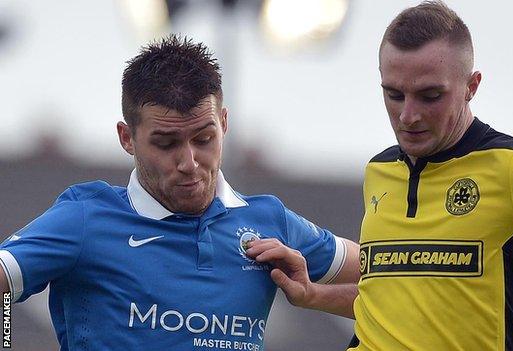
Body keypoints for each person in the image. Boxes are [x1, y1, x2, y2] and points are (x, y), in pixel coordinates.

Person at [247, 1, 513, 350]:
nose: (408, 115)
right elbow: (394, 299)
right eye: (394, 94)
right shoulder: (380, 172)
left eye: (430, 96)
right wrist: (313, 294)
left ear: (471, 87)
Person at [0, 35, 360, 350]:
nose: (189, 162)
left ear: (224, 123)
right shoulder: (85, 219)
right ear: (127, 138)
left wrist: (315, 296)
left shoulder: (269, 222)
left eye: (204, 139)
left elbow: (396, 287)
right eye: (166, 143)